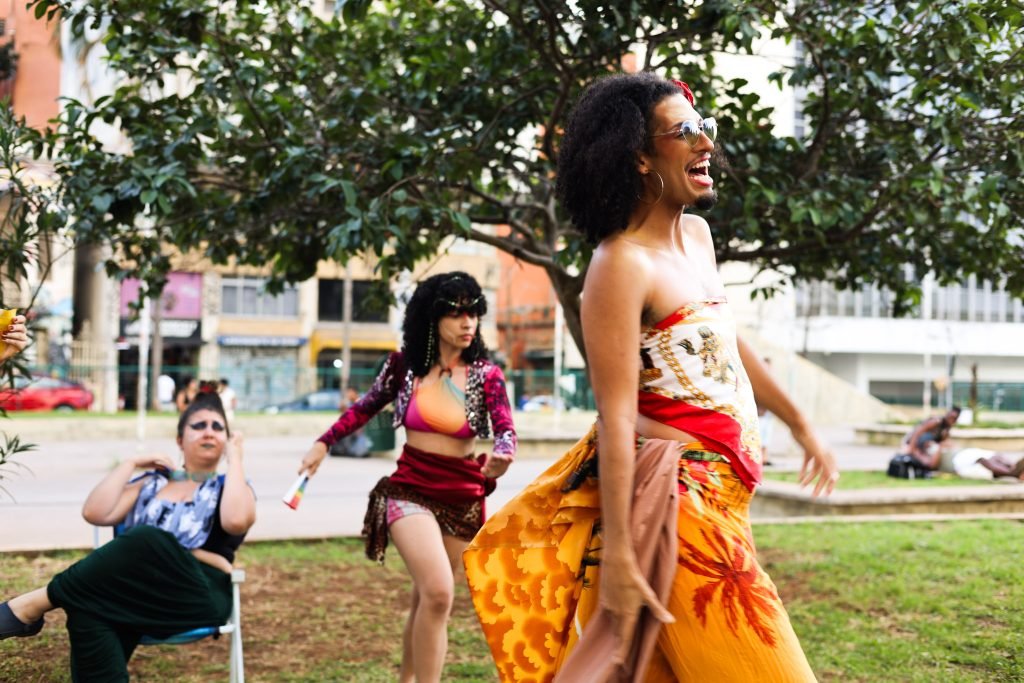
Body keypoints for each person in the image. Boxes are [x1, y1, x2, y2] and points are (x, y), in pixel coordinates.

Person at [464, 73, 839, 682]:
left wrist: (801, 424)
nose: (706, 144)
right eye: (684, 131)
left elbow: (726, 342)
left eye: (704, 128)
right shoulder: (618, 266)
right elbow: (614, 416)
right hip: (679, 506)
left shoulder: (698, 237)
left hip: (726, 502)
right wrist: (619, 561)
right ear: (639, 157)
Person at [297, 271, 516, 683]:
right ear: (431, 318)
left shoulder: (487, 375)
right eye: (456, 313)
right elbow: (363, 407)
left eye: (473, 312)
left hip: (461, 495)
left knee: (424, 601)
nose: (467, 322)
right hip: (410, 489)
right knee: (438, 593)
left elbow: (505, 430)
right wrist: (323, 443)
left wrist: (503, 455)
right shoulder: (404, 367)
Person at [0, 391, 255, 681]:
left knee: (146, 537)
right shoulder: (150, 483)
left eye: (218, 427)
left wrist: (235, 460)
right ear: (179, 440)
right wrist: (130, 464)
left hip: (197, 594)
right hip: (135, 591)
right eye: (198, 425)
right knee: (88, 608)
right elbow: (95, 513)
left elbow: (235, 521)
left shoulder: (230, 485)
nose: (209, 432)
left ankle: (28, 607)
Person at [900, 406, 961, 472]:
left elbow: (942, 442)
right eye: (951, 417)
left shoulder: (946, 429)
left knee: (933, 462)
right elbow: (917, 432)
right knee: (929, 463)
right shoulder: (936, 421)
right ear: (947, 414)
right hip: (912, 444)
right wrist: (911, 449)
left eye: (954, 418)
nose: (952, 419)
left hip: (924, 449)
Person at [950, 447, 1024, 480]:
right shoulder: (1005, 470)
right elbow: (982, 460)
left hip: (967, 455)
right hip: (962, 457)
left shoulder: (1007, 467)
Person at [757, 357, 777, 466]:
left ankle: (764, 458)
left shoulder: (772, 381)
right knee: (759, 437)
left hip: (768, 414)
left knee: (766, 437)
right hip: (759, 414)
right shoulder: (757, 381)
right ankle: (759, 458)